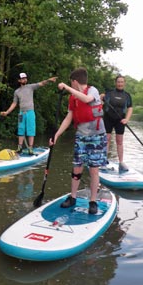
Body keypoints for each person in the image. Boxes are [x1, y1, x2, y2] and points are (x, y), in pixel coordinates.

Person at [50, 67, 107, 215]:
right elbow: (69, 118)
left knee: (94, 169)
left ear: (75, 82)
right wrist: (56, 135)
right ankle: (73, 197)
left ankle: (93, 201)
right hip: (81, 136)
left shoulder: (92, 90)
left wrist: (67, 87)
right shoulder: (73, 98)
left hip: (96, 136)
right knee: (77, 168)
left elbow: (87, 99)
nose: (71, 85)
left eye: (71, 83)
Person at [0, 72, 57, 155]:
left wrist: (49, 80)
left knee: (31, 130)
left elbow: (41, 83)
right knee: (21, 130)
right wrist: (7, 112)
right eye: (22, 78)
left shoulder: (30, 87)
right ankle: (19, 148)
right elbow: (14, 103)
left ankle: (30, 148)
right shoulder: (17, 92)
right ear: (19, 80)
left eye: (25, 78)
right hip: (21, 113)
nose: (24, 79)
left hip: (30, 112)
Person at [100, 75, 133, 172]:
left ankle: (121, 162)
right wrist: (101, 97)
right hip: (108, 118)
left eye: (122, 82)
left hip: (120, 120)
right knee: (107, 139)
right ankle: (103, 161)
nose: (120, 84)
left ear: (124, 83)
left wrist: (126, 119)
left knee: (119, 141)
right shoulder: (109, 93)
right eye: (118, 82)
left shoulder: (127, 95)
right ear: (116, 83)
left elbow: (130, 108)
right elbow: (100, 101)